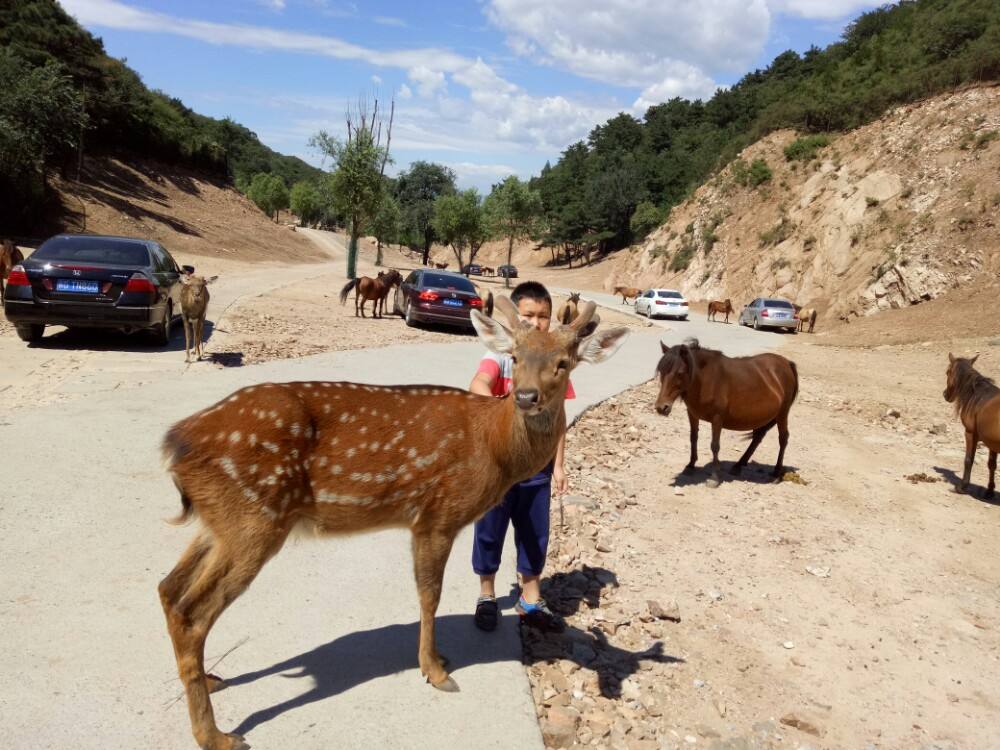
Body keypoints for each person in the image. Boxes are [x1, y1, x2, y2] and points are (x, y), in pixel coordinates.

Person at [470, 281, 572, 632]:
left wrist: (558, 465)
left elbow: (560, 418)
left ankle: (531, 598)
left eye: (543, 316)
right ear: (515, 317)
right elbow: (478, 383)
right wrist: (500, 406)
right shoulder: (504, 353)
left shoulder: (556, 357)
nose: (536, 322)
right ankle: (487, 595)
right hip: (499, 463)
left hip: (538, 465)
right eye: (528, 314)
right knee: (490, 528)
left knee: (534, 530)